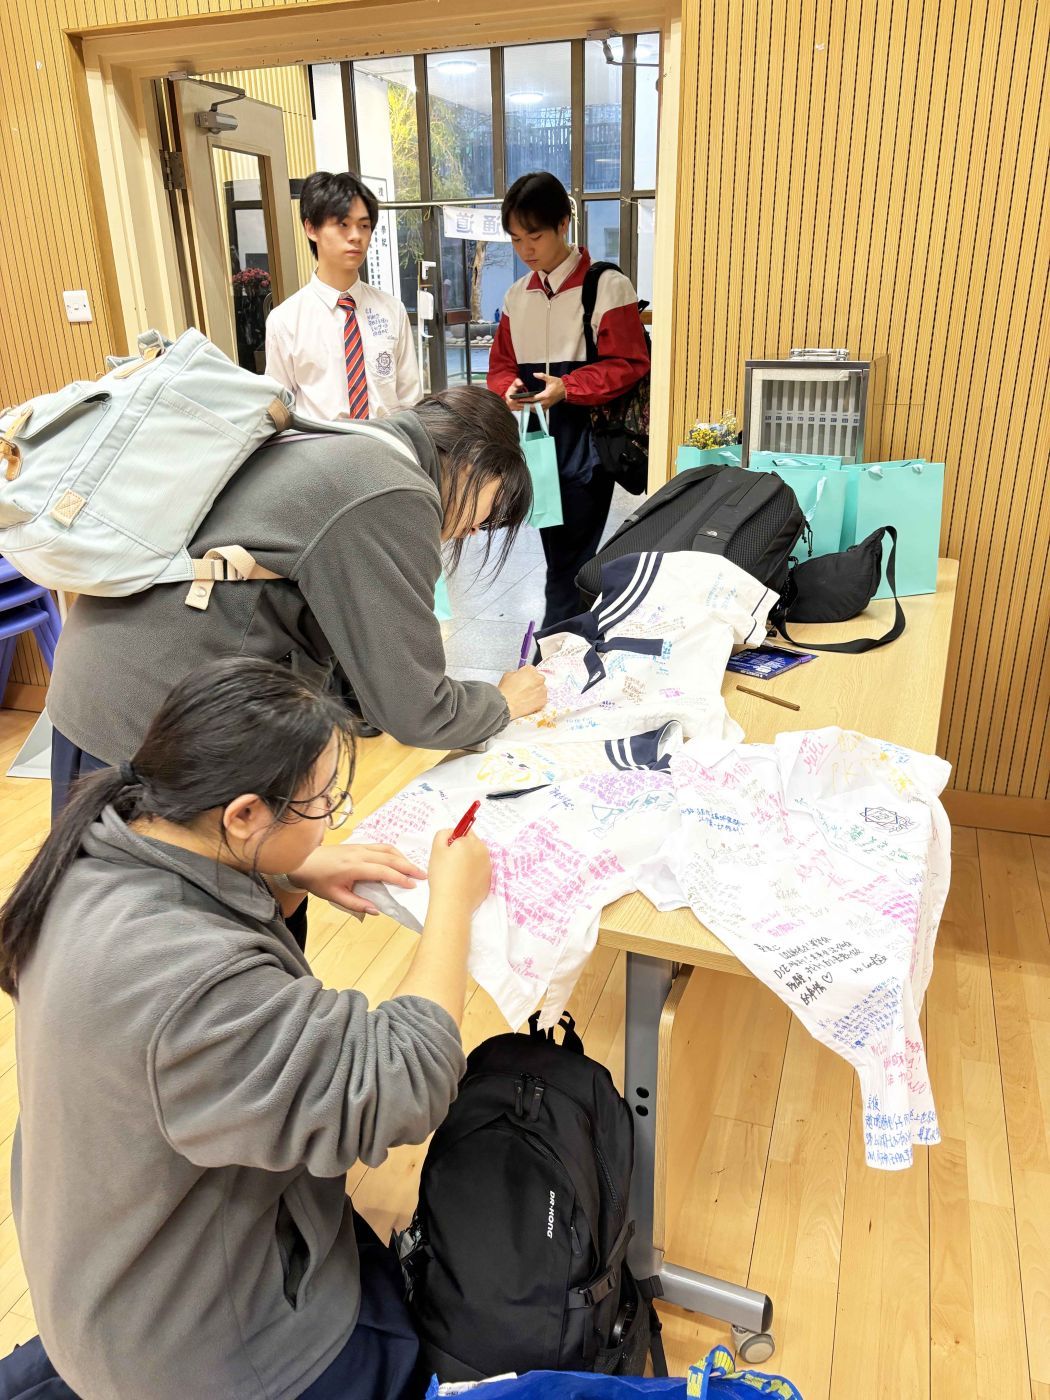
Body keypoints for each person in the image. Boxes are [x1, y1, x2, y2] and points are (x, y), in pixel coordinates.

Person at [0, 656, 491, 1399]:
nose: (331, 816)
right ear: (242, 816)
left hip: (100, 1274)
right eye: (323, 800)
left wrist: (286, 870)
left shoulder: (99, 845)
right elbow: (405, 1077)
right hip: (204, 1359)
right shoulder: (188, 985)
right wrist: (453, 899)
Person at [46, 386, 547, 827]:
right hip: (157, 719)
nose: (476, 529)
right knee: (180, 899)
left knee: (92, 889)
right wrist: (502, 703)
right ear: (472, 463)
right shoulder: (393, 491)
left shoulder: (341, 440)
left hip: (103, 678)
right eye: (492, 509)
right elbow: (415, 709)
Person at [487, 171, 650, 629]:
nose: (525, 250)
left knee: (568, 562)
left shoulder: (606, 286)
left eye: (534, 236)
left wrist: (569, 387)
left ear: (564, 223)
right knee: (557, 552)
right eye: (516, 240)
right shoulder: (517, 296)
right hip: (536, 440)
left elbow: (629, 362)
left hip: (587, 440)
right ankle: (571, 638)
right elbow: (500, 365)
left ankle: (556, 641)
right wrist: (506, 389)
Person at [265, 171, 422, 421]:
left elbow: (410, 400)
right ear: (311, 228)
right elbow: (280, 409)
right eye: (343, 224)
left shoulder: (392, 310)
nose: (356, 236)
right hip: (322, 444)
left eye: (364, 226)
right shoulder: (285, 320)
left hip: (387, 441)